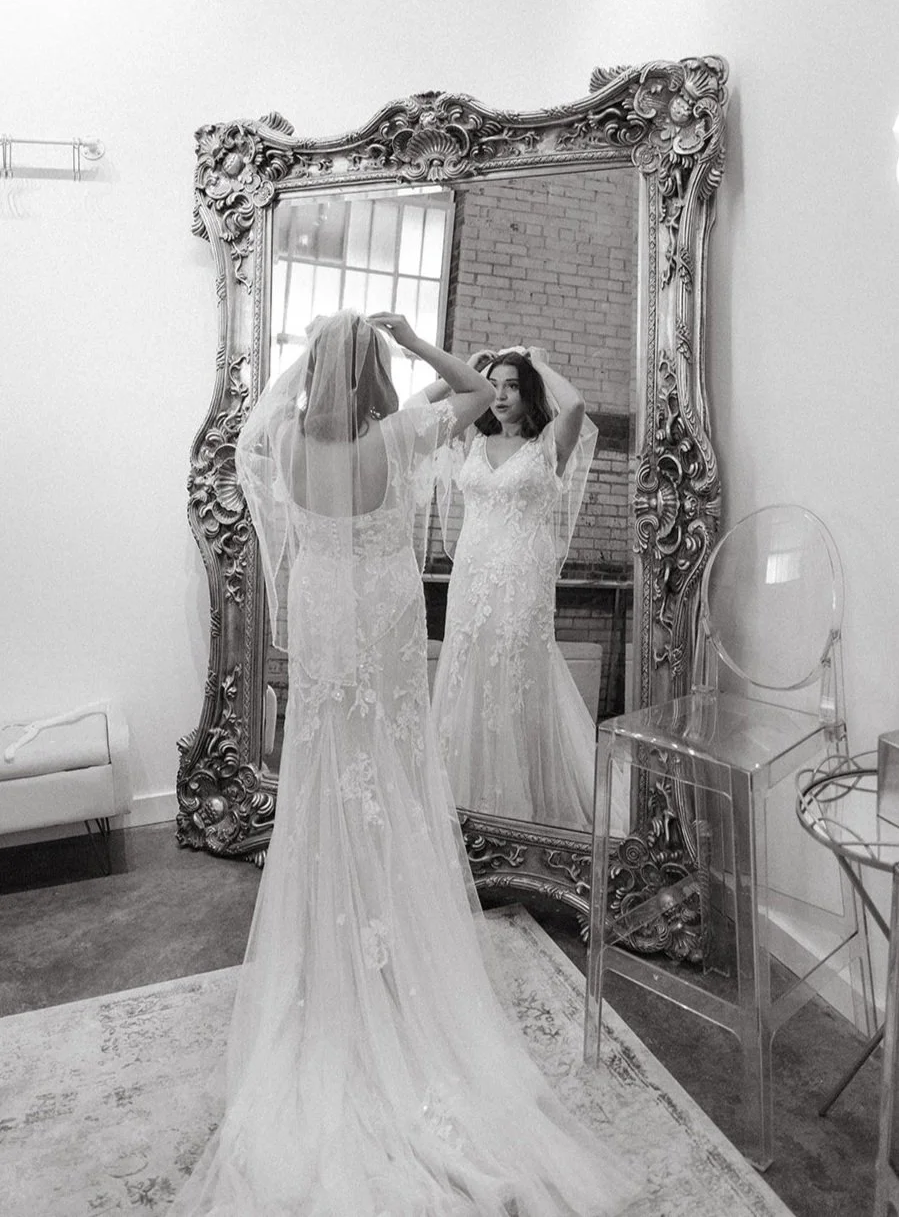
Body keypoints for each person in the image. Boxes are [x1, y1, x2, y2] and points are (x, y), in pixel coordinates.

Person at [168, 310, 635, 1216]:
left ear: (312, 372)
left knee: (323, 769)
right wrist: (419, 342)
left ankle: (324, 960)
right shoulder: (402, 432)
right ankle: (392, 950)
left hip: (322, 621)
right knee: (389, 769)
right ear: (376, 370)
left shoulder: (285, 444)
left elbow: (255, 461)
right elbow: (466, 390)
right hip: (382, 620)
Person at [426, 346, 600, 830]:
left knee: (516, 676)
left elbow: (577, 407)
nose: (500, 395)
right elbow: (426, 415)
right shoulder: (471, 443)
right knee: (468, 675)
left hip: (522, 580)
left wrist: (533, 360)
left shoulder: (547, 446)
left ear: (529, 393)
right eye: (494, 385)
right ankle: (461, 807)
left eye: (512, 386)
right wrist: (464, 367)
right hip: (471, 581)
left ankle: (519, 813)